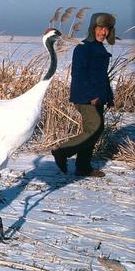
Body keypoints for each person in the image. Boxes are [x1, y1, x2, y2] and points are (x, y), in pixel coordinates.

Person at [51, 12, 116, 177]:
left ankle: (83, 167)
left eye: (107, 29)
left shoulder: (98, 47)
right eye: (100, 29)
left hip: (98, 97)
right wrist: (91, 95)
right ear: (93, 28)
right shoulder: (83, 47)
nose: (103, 32)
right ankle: (62, 152)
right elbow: (78, 74)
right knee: (95, 128)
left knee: (92, 130)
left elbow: (102, 76)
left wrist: (108, 96)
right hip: (86, 97)